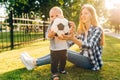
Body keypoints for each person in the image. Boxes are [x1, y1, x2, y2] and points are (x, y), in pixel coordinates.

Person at [20, 3, 104, 79]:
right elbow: (68, 44)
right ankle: (34, 60)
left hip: (91, 63)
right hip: (82, 57)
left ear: (92, 15)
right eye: (81, 14)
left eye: (86, 13)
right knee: (61, 50)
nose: (83, 16)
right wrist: (61, 37)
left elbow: (90, 46)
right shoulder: (82, 31)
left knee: (65, 52)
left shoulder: (97, 29)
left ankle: (33, 63)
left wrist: (72, 38)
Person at [21, 6, 69, 80]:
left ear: (62, 16)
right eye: (52, 16)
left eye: (57, 15)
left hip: (63, 47)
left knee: (64, 59)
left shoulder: (64, 23)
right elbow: (47, 36)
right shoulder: (50, 26)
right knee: (54, 62)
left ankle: (62, 69)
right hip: (54, 49)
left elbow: (67, 33)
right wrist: (50, 35)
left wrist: (65, 34)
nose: (54, 18)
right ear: (50, 18)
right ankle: (54, 73)